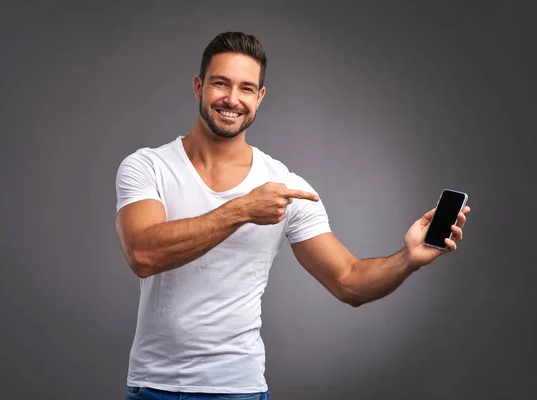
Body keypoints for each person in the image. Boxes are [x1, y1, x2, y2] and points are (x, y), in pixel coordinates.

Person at [114, 31, 470, 400]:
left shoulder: (284, 186)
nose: (232, 99)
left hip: (240, 389)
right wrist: (243, 209)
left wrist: (408, 258)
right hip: (154, 386)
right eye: (221, 84)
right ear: (198, 86)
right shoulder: (148, 166)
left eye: (246, 88)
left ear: (260, 97)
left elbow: (348, 281)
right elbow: (143, 254)